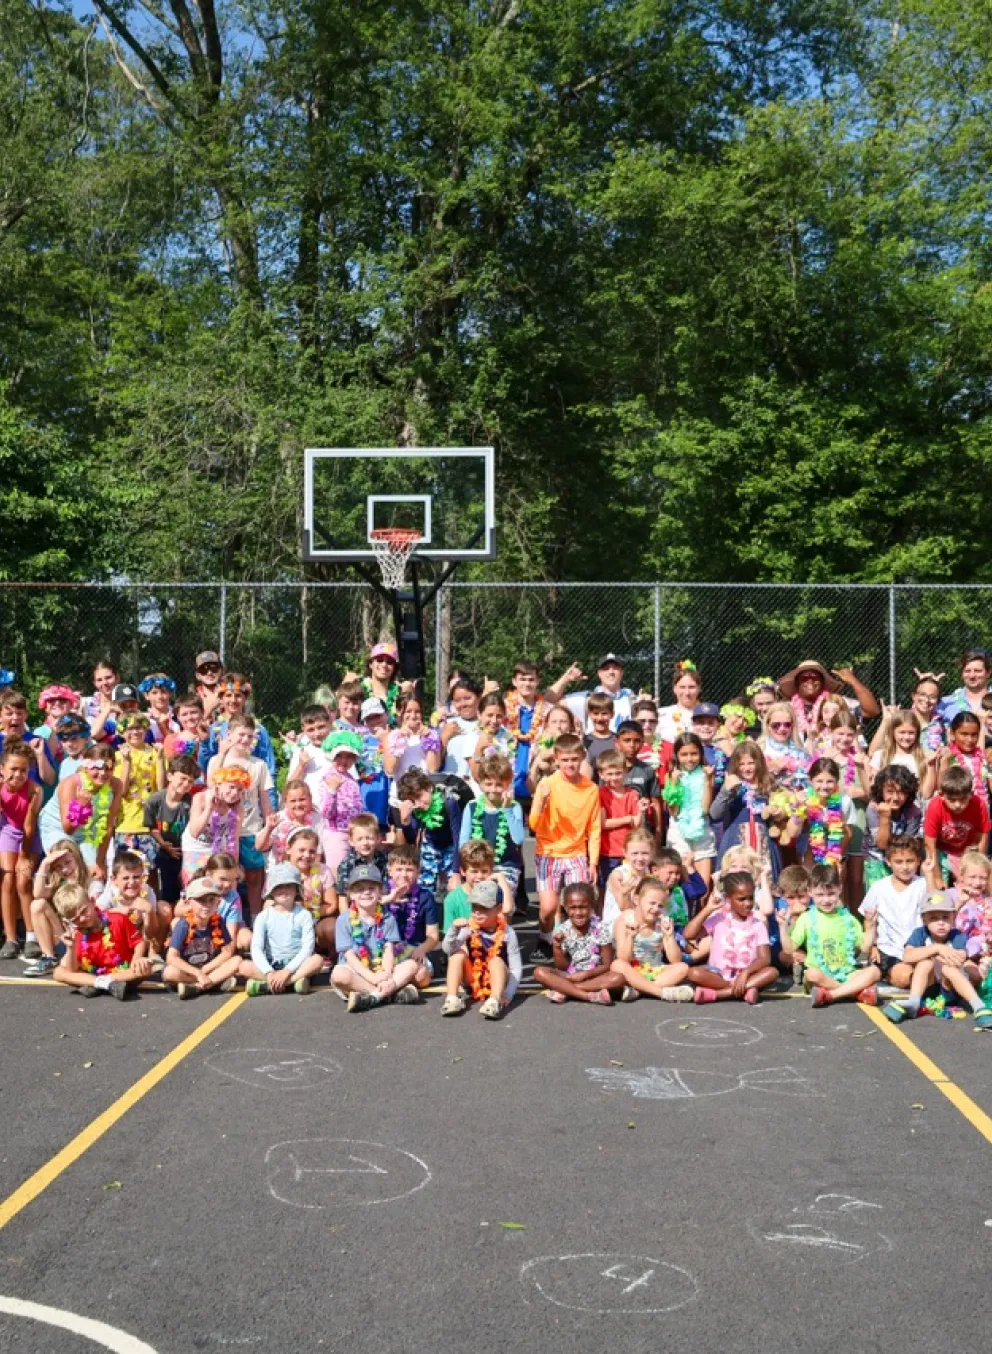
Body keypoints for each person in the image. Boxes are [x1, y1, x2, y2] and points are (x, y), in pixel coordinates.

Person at [528, 732, 601, 964]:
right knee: (548, 908)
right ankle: (544, 938)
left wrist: (593, 862)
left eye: (574, 759)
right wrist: (541, 801)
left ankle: (579, 948)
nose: (570, 764)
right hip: (548, 852)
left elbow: (595, 827)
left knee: (578, 903)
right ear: (557, 759)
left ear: (581, 758)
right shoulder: (547, 784)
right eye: (565, 759)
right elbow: (533, 824)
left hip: (577, 852)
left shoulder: (591, 789)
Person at [882, 891, 992, 1027]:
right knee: (925, 963)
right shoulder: (920, 933)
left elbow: (959, 957)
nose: (940, 923)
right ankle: (914, 1001)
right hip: (927, 988)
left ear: (953, 918)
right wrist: (937, 949)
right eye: (933, 918)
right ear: (924, 920)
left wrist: (938, 953)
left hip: (949, 989)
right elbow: (907, 956)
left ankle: (978, 1006)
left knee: (948, 968)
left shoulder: (957, 935)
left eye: (945, 917)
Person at [779, 862, 880, 1007]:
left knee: (875, 971)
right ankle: (856, 992)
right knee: (811, 974)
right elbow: (789, 949)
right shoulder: (807, 918)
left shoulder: (848, 919)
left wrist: (870, 926)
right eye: (820, 895)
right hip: (820, 975)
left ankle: (831, 994)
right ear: (810, 892)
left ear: (840, 889)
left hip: (846, 974)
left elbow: (864, 947)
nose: (826, 900)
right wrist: (783, 927)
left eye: (831, 894)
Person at [207, 713, 276, 916]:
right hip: (224, 832)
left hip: (251, 829)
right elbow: (211, 789)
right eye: (241, 735)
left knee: (255, 877)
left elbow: (264, 797)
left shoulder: (258, 765)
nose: (245, 740)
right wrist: (221, 754)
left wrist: (268, 824)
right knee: (224, 878)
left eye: (249, 736)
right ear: (229, 734)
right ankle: (222, 919)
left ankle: (255, 918)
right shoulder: (216, 761)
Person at [331, 863, 421, 1011]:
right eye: (359, 889)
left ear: (381, 892)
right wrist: (372, 978)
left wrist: (385, 974)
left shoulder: (387, 917)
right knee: (339, 975)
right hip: (357, 971)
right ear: (351, 895)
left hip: (381, 969)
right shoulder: (344, 919)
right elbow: (350, 957)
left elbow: (388, 950)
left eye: (371, 888)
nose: (366, 892)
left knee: (411, 966)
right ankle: (389, 994)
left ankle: (373, 997)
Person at [685, 871, 779, 1004]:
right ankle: (745, 991)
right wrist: (707, 909)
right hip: (718, 976)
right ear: (728, 898)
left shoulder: (758, 924)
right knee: (693, 973)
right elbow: (688, 934)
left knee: (772, 972)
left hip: (746, 976)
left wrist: (746, 973)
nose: (747, 903)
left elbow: (765, 959)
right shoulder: (719, 919)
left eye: (750, 898)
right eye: (741, 899)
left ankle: (718, 995)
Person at [52, 882, 153, 999]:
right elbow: (72, 969)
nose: (83, 919)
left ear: (92, 901)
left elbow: (139, 942)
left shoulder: (118, 919)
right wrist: (70, 946)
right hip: (96, 975)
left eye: (84, 911)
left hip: (123, 973)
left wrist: (137, 960)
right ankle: (104, 984)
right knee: (58, 972)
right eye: (75, 919)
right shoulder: (78, 934)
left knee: (146, 968)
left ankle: (95, 985)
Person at [440, 878, 522, 1019]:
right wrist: (453, 929)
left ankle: (494, 1001)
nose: (477, 913)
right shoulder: (469, 928)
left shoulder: (508, 933)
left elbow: (516, 968)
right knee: (457, 954)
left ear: (498, 908)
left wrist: (508, 993)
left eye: (483, 908)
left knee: (496, 961)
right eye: (474, 907)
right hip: (473, 979)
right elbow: (447, 949)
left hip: (498, 980)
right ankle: (452, 998)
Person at [534, 881, 624, 1004]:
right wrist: (557, 946)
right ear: (565, 907)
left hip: (595, 975)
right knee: (539, 972)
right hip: (571, 974)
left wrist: (585, 975)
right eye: (573, 908)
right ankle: (588, 996)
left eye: (583, 907)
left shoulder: (600, 928)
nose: (578, 913)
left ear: (591, 907)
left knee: (618, 978)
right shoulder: (562, 930)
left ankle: (565, 989)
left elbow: (606, 964)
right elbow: (563, 967)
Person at [397, 767, 472, 912]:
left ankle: (457, 922)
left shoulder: (449, 802)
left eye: (420, 796)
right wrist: (405, 821)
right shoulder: (417, 808)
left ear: (430, 788)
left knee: (455, 888)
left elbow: (458, 837)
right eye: (413, 800)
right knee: (424, 887)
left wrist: (456, 872)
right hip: (431, 844)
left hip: (452, 845)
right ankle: (427, 922)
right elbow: (412, 836)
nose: (418, 804)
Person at [242, 863, 322, 996]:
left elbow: (307, 947)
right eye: (278, 887)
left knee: (317, 960)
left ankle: (272, 985)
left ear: (297, 890)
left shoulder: (304, 915)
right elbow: (256, 947)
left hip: (297, 966)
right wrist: (269, 972)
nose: (283, 890)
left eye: (288, 886)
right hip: (271, 965)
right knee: (244, 966)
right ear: (271, 891)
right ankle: (290, 983)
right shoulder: (263, 916)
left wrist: (287, 971)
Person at [859, 835, 927, 990]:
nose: (905, 867)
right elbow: (869, 920)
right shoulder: (879, 887)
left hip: (918, 949)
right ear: (889, 862)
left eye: (910, 861)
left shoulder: (923, 885)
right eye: (899, 862)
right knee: (905, 978)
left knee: (926, 972)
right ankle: (888, 973)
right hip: (889, 949)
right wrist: (873, 946)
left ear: (918, 861)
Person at [610, 875, 692, 1001]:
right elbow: (623, 958)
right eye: (652, 903)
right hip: (632, 970)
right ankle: (662, 993)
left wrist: (669, 936)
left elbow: (675, 960)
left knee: (683, 967)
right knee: (617, 965)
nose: (656, 909)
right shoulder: (625, 920)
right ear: (636, 900)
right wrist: (631, 937)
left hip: (655, 971)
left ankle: (639, 990)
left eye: (660, 905)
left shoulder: (661, 922)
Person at [163, 877, 241, 999]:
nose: (207, 905)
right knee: (169, 972)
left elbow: (228, 951)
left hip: (208, 969)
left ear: (218, 903)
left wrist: (204, 970)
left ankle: (196, 987)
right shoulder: (184, 925)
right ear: (189, 902)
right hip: (188, 972)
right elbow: (171, 957)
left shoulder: (218, 921)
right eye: (201, 900)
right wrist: (197, 973)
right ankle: (213, 983)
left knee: (236, 960)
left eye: (211, 900)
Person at [458, 754, 525, 896]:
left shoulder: (514, 807)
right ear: (480, 783)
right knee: (476, 899)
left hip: (506, 865)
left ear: (507, 784)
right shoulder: (472, 806)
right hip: (479, 866)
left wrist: (507, 810)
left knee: (497, 896)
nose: (493, 789)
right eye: (488, 784)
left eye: (499, 785)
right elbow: (463, 843)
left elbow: (518, 839)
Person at [0, 740, 42, 959]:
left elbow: (29, 826)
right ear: (2, 769)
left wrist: (24, 857)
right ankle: (10, 938)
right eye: (13, 769)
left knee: (22, 881)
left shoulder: (35, 790)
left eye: (23, 770)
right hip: (8, 830)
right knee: (7, 879)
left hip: (30, 835)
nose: (18, 775)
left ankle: (32, 936)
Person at [57, 743, 122, 880]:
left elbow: (108, 826)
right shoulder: (72, 783)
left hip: (89, 830)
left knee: (95, 876)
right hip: (59, 828)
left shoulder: (116, 785)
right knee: (71, 871)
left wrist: (100, 862)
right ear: (86, 767)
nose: (103, 773)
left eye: (108, 768)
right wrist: (81, 806)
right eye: (96, 768)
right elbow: (68, 829)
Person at [25, 838, 89, 976]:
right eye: (58, 867)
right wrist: (44, 864)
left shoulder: (91, 880)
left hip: (86, 939)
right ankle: (49, 958)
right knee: (38, 904)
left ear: (77, 858)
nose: (65, 870)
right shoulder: (59, 883)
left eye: (68, 863)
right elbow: (37, 894)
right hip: (65, 939)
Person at [662, 733, 716, 888]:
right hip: (679, 832)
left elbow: (705, 809)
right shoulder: (671, 776)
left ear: (700, 754)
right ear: (677, 756)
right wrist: (674, 783)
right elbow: (674, 812)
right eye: (684, 755)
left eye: (694, 754)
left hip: (702, 830)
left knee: (703, 886)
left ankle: (702, 910)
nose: (689, 759)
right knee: (683, 884)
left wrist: (707, 781)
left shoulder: (706, 774)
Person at [383, 842, 438, 995]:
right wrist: (387, 900)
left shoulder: (425, 897)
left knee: (422, 978)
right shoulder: (381, 892)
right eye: (399, 869)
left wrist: (422, 948)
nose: (404, 874)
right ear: (390, 871)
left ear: (418, 871)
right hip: (384, 950)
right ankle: (398, 986)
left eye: (409, 870)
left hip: (412, 950)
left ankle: (395, 984)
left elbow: (433, 936)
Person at [924, 764, 990, 887]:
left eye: (963, 799)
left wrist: (977, 867)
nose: (958, 805)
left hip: (967, 850)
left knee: (975, 884)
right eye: (952, 800)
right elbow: (930, 845)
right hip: (941, 852)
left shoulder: (979, 805)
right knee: (937, 887)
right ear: (942, 795)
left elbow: (983, 838)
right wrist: (937, 878)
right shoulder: (935, 806)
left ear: (971, 794)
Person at [199, 674, 277, 779]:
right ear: (221, 699)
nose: (233, 700)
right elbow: (205, 765)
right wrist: (204, 742)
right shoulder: (213, 729)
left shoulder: (257, 729)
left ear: (245, 699)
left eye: (238, 695)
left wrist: (270, 794)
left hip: (251, 785)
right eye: (228, 695)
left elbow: (269, 767)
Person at [777, 660, 880, 739]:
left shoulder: (838, 704)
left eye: (815, 677)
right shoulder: (786, 709)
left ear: (823, 682)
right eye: (804, 678)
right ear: (796, 683)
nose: (810, 681)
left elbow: (872, 711)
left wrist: (853, 680)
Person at [709, 740, 773, 863]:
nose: (747, 768)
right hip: (736, 842)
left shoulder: (768, 785)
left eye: (751, 763)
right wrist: (726, 791)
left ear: (759, 763)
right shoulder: (733, 784)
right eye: (741, 764)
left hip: (763, 843)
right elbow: (714, 814)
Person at [112, 714, 164, 867]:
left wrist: (160, 759)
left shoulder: (155, 752)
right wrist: (127, 762)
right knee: (125, 871)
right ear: (122, 732)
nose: (135, 732)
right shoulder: (117, 756)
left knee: (151, 872)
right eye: (130, 728)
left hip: (149, 825)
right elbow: (121, 791)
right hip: (126, 824)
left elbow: (161, 789)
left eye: (139, 728)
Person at [181, 766, 248, 884]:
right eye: (231, 787)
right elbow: (195, 832)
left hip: (218, 849)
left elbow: (234, 841)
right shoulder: (201, 798)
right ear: (219, 784)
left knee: (219, 886)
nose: (234, 793)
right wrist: (208, 809)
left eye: (239, 789)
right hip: (195, 847)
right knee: (195, 885)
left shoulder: (238, 809)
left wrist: (234, 867)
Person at [864, 765, 923, 888]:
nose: (895, 798)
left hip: (902, 861)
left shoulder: (913, 812)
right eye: (890, 792)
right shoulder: (874, 808)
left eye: (901, 792)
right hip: (876, 860)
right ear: (881, 791)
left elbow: (907, 845)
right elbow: (882, 844)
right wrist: (885, 818)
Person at [315, 730, 365, 873]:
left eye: (349, 756)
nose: (344, 760)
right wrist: (332, 791)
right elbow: (326, 813)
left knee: (353, 874)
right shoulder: (328, 778)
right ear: (331, 755)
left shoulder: (351, 778)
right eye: (339, 756)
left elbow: (358, 808)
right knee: (338, 873)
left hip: (354, 833)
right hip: (336, 833)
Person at [383, 695, 442, 816]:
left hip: (424, 799)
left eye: (417, 711)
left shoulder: (432, 735)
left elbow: (433, 768)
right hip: (400, 799)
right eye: (408, 711)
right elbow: (390, 770)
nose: (413, 716)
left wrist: (429, 740)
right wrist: (400, 740)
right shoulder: (392, 736)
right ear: (400, 712)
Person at [596, 749, 644, 894]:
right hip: (609, 851)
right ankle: (603, 915)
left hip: (629, 851)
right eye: (610, 774)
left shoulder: (632, 794)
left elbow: (637, 824)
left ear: (625, 772)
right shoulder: (600, 794)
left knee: (632, 887)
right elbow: (603, 824)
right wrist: (627, 819)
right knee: (607, 888)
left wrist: (641, 810)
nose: (614, 777)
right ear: (601, 774)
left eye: (618, 773)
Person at [283, 827, 337, 957]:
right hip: (287, 921)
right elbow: (268, 905)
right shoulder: (281, 871)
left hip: (316, 920)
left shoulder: (323, 870)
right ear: (288, 849)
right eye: (301, 850)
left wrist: (310, 912)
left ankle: (321, 950)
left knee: (332, 927)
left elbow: (332, 905)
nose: (307, 855)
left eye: (311, 851)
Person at [442, 840, 514, 931]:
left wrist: (501, 879)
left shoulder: (494, 891)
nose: (479, 876)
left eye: (484, 871)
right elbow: (449, 934)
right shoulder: (452, 899)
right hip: (463, 943)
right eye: (474, 871)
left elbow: (507, 910)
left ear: (491, 871)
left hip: (492, 942)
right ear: (463, 871)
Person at [868, 709, 935, 799]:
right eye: (902, 732)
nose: (906, 737)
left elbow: (926, 794)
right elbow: (873, 788)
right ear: (893, 732)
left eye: (911, 733)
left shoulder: (924, 757)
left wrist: (931, 766)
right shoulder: (881, 756)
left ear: (917, 733)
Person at [561, 654, 637, 732]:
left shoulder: (632, 699)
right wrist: (565, 680)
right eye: (606, 668)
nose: (611, 672)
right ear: (599, 673)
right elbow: (550, 702)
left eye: (615, 668)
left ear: (621, 673)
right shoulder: (586, 698)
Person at [255, 779, 323, 864]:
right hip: (281, 870)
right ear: (286, 803)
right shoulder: (279, 819)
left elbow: (319, 854)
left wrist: (313, 875)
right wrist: (269, 829)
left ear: (310, 799)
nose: (298, 804)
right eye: (293, 801)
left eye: (302, 799)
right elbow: (259, 847)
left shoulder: (318, 819)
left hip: (310, 870)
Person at [332, 813, 390, 907]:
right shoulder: (347, 864)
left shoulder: (384, 860)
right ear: (351, 841)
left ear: (378, 838)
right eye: (360, 839)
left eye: (369, 838)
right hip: (355, 912)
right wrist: (347, 920)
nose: (365, 843)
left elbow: (386, 888)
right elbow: (343, 897)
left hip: (380, 907)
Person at [941, 711, 989, 810]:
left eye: (974, 735)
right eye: (964, 734)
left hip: (980, 811)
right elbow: (940, 787)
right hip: (957, 811)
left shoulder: (982, 757)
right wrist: (944, 761)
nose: (970, 739)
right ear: (952, 734)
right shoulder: (948, 756)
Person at [440, 677, 481, 783]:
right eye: (457, 700)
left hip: (478, 788)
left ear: (479, 697)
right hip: (451, 788)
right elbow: (434, 763)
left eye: (468, 698)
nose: (463, 704)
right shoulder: (447, 724)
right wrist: (444, 737)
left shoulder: (488, 725)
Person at [937, 648, 992, 723]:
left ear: (988, 672)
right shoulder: (946, 703)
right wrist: (927, 686)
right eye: (967, 671)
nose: (972, 675)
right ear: (961, 674)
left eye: (978, 671)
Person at [657, 660, 703, 744]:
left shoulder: (706, 715)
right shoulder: (661, 714)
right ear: (675, 688)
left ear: (699, 688)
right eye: (682, 687)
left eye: (691, 687)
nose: (687, 692)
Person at [138, 673, 179, 745]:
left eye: (163, 692)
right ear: (146, 696)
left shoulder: (179, 715)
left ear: (170, 693)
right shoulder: (142, 719)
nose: (159, 696)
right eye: (154, 693)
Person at [192, 650, 225, 719]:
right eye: (203, 670)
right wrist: (209, 707)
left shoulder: (231, 695)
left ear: (222, 671)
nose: (209, 673)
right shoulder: (193, 699)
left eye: (214, 668)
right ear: (197, 675)